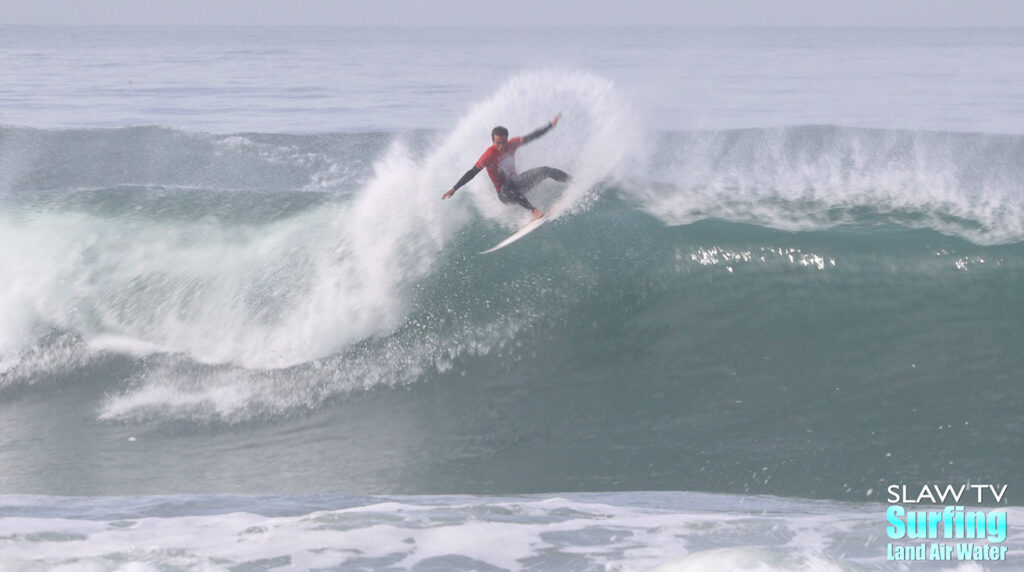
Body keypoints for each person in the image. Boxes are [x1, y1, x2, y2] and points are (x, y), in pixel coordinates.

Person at [442, 113, 570, 220]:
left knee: (545, 170)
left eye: (504, 142)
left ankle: (574, 182)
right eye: (498, 143)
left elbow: (532, 136)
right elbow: (472, 172)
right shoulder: (488, 155)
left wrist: (550, 126)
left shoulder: (512, 144)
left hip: (517, 184)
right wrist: (454, 188)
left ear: (507, 139)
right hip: (505, 194)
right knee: (508, 187)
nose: (501, 146)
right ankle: (534, 211)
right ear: (493, 141)